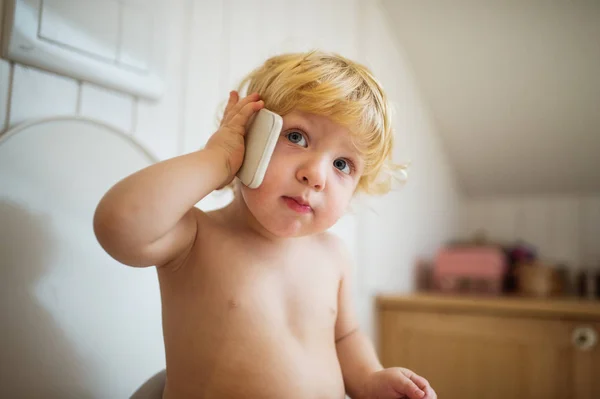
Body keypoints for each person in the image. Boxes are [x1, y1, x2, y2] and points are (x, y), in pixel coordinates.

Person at [93, 50, 436, 399]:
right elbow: (119, 225)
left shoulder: (333, 256)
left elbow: (344, 337)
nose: (316, 175)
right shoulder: (196, 238)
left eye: (343, 164)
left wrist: (369, 379)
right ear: (250, 135)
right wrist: (217, 159)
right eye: (297, 137)